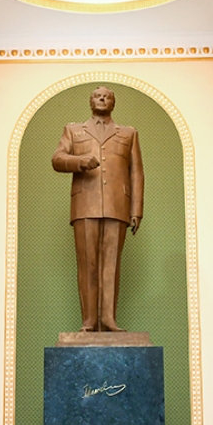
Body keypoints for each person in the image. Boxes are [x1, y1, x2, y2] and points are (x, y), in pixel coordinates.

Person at [52, 87, 144, 332]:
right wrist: (79, 161)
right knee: (87, 263)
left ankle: (108, 319)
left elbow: (136, 172)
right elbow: (57, 159)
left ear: (113, 103)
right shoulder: (73, 130)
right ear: (90, 101)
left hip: (117, 204)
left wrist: (136, 209)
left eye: (108, 96)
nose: (102, 98)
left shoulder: (129, 133)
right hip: (85, 204)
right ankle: (89, 320)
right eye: (97, 96)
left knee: (111, 264)